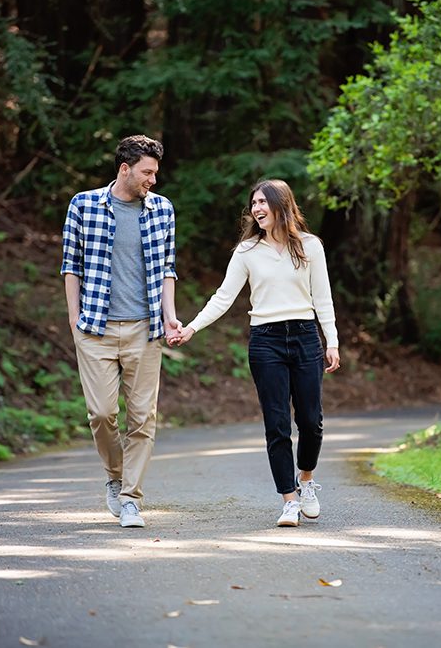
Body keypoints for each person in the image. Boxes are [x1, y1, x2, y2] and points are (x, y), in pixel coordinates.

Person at [171, 179, 340, 527]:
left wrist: (332, 341)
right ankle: (289, 500)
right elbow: (223, 297)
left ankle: (306, 481)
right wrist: (191, 327)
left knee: (311, 421)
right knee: (277, 423)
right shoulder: (247, 252)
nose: (257, 208)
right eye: (254, 203)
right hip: (266, 341)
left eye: (264, 202)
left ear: (282, 205)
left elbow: (323, 297)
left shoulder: (310, 247)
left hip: (306, 336)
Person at [60, 134, 181, 529]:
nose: (153, 180)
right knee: (101, 413)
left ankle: (130, 498)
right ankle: (115, 476)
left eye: (155, 172)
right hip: (95, 328)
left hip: (145, 330)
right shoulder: (83, 205)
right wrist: (74, 318)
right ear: (124, 169)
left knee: (143, 419)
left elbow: (167, 269)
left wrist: (170, 317)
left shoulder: (162, 210)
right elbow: (70, 265)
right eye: (147, 172)